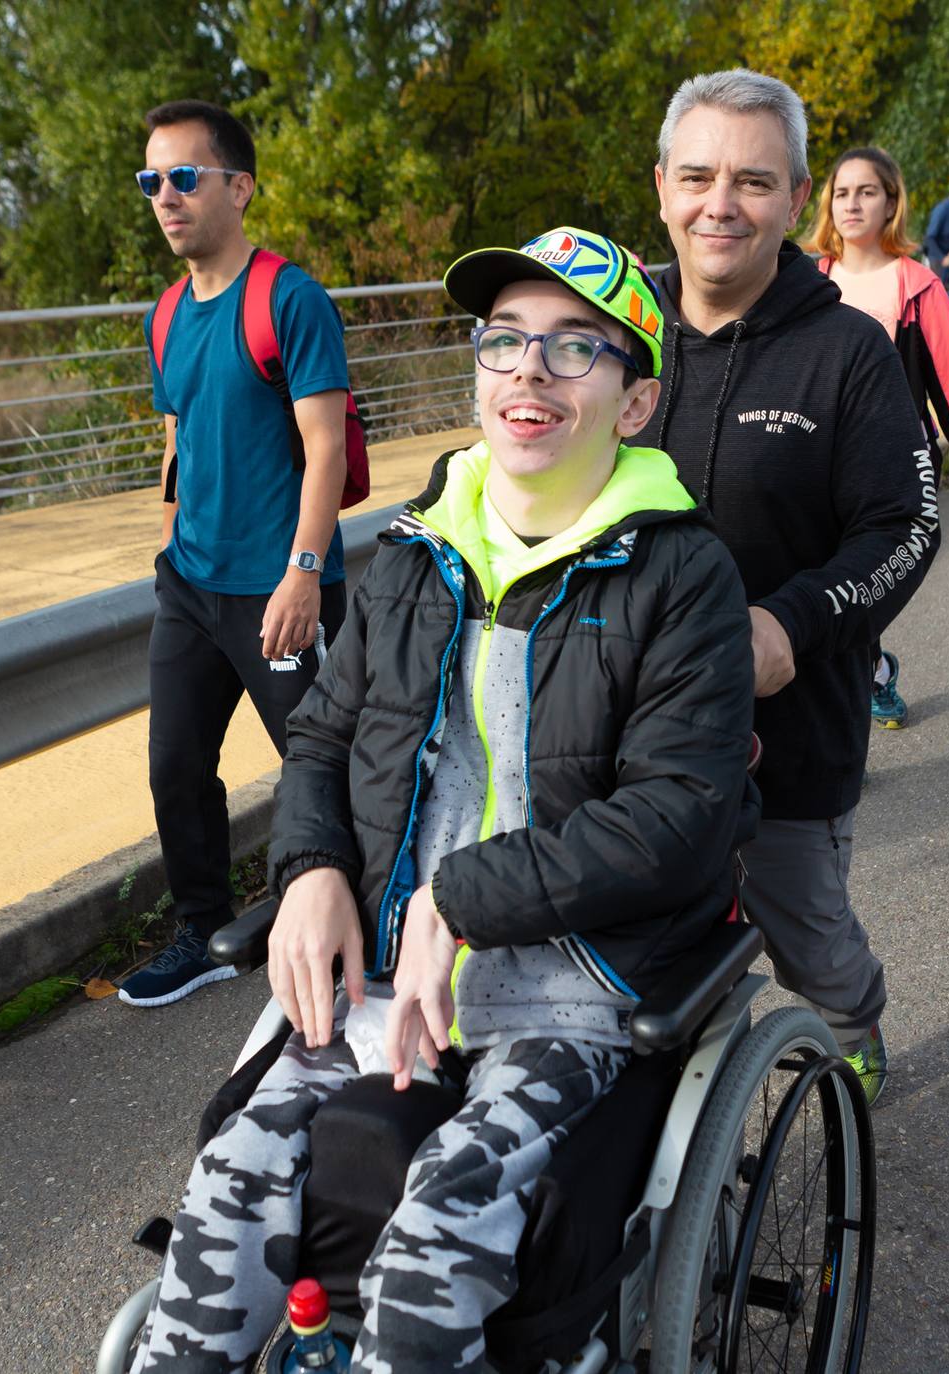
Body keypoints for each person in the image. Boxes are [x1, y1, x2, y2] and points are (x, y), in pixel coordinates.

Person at [126, 227, 757, 1372]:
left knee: (435, 1239)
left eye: (575, 351)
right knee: (227, 1191)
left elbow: (679, 814)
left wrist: (459, 900)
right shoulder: (416, 553)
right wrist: (312, 867)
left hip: (573, 987)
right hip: (382, 972)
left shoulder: (682, 574)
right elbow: (319, 737)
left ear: (633, 403)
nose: (528, 370)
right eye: (504, 342)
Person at [648, 69, 942, 1101]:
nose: (719, 204)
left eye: (753, 182)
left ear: (796, 198)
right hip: (625, 740)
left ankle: (853, 1010)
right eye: (696, 176)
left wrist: (791, 623)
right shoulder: (609, 334)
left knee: (807, 939)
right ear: (660, 187)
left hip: (790, 736)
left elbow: (905, 525)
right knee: (639, 959)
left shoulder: (847, 352)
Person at [121, 99, 352, 1008]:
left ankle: (344, 916)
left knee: (319, 764)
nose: (165, 196)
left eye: (185, 176)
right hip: (189, 583)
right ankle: (198, 931)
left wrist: (302, 573)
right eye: (152, 180)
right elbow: (180, 421)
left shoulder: (287, 298)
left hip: (277, 587)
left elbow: (326, 448)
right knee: (175, 765)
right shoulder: (166, 313)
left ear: (239, 187)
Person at [806, 145, 949, 725]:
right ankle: (867, 673)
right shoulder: (807, 280)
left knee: (867, 583)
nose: (852, 204)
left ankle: (867, 670)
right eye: (841, 193)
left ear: (891, 201)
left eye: (867, 192)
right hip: (815, 460)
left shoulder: (919, 287)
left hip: (891, 462)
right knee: (827, 586)